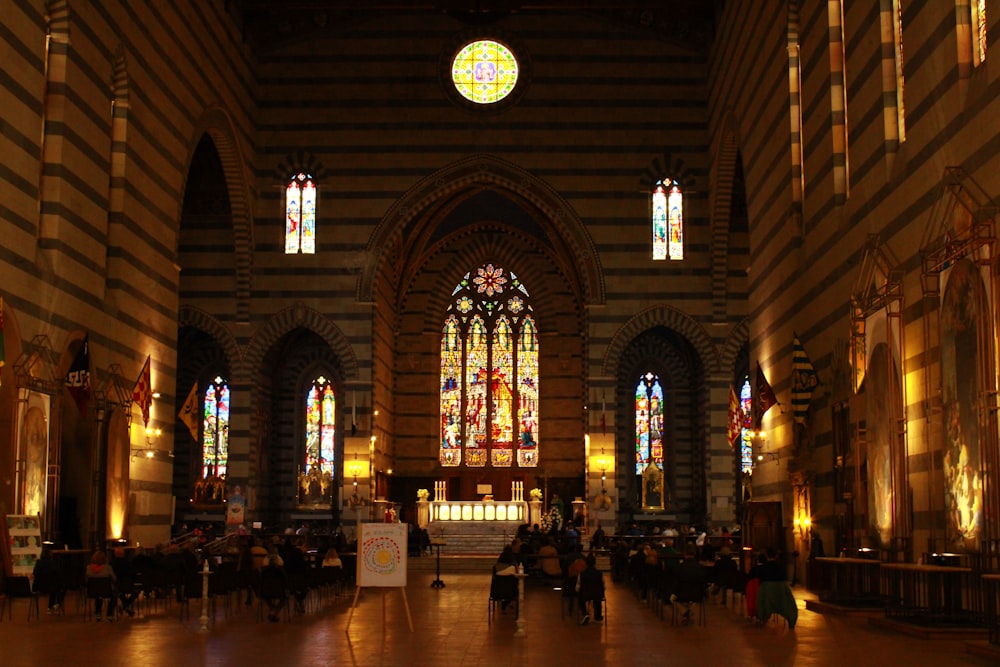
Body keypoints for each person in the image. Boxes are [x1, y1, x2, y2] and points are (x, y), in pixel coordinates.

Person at [33, 544, 66, 613]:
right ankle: (57, 603)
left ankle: (51, 606)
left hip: (39, 587)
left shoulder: (38, 563)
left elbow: (35, 573)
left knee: (53, 585)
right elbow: (59, 574)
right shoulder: (53, 563)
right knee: (59, 586)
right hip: (52, 587)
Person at [86, 550, 117, 621]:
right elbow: (114, 579)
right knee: (114, 595)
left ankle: (98, 613)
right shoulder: (108, 568)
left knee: (98, 596)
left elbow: (86, 580)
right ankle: (110, 613)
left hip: (92, 592)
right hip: (106, 591)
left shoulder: (88, 568)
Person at [576, 555, 605, 625]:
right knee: (598, 600)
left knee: (580, 598)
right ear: (595, 563)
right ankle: (598, 616)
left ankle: (585, 613)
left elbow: (577, 587)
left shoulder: (582, 574)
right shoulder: (600, 574)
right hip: (597, 595)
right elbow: (603, 586)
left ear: (586, 563)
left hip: (585, 594)